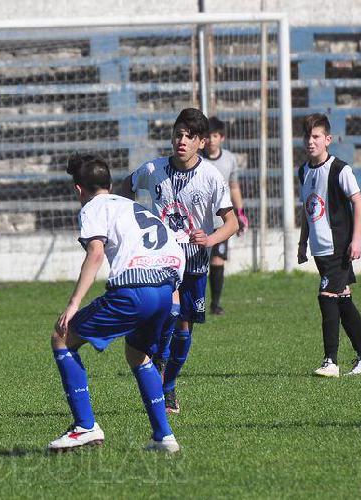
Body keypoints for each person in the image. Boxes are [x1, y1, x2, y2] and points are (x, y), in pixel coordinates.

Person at [48, 153, 186, 453]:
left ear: (78, 190)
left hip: (134, 290)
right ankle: (164, 437)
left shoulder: (92, 207)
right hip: (165, 289)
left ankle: (85, 426)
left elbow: (95, 253)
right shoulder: (133, 206)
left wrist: (73, 304)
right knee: (138, 354)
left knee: (61, 337)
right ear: (110, 184)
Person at [116, 108, 239, 414]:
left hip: (195, 258)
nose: (181, 140)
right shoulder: (152, 169)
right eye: (178, 134)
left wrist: (209, 239)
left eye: (189, 136)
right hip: (162, 258)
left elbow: (232, 222)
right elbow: (123, 191)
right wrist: (133, 224)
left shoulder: (211, 177)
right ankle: (157, 364)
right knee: (168, 316)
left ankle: (167, 385)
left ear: (200, 142)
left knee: (184, 329)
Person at [296, 113, 361, 377]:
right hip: (320, 250)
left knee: (326, 298)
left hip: (339, 247)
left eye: (316, 136)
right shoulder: (304, 171)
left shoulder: (340, 170)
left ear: (327, 140)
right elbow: (308, 209)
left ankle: (330, 361)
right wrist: (302, 243)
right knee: (343, 301)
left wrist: (356, 240)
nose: (311, 141)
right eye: (307, 136)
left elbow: (359, 203)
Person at [200, 116, 250, 315]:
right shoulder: (197, 159)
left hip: (221, 221)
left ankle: (215, 303)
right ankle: (196, 302)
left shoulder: (229, 159)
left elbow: (234, 186)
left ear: (222, 137)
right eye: (208, 136)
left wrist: (240, 213)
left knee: (218, 260)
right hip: (199, 220)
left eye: (215, 136)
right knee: (197, 264)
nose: (211, 140)